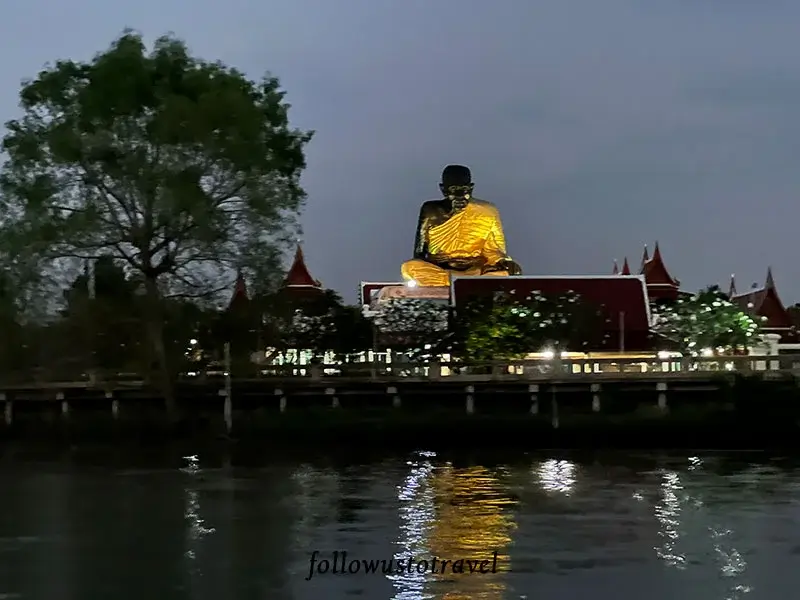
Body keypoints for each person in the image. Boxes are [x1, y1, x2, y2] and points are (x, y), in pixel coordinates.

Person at [400, 165, 522, 287]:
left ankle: (461, 282)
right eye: (453, 189)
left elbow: (494, 250)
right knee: (409, 267)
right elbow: (419, 254)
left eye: (464, 189)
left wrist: (504, 261)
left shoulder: (487, 211)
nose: (459, 194)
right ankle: (467, 283)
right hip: (442, 269)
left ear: (471, 188)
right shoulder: (431, 210)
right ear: (443, 189)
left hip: (475, 269)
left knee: (508, 272)